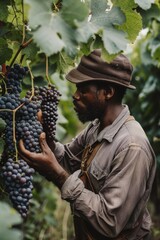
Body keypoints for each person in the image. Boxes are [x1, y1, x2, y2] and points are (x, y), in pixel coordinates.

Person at [19, 49, 156, 240]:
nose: (75, 95)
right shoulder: (97, 127)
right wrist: (46, 138)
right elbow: (67, 159)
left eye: (83, 90)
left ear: (107, 92)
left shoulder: (132, 147)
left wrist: (58, 177)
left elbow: (110, 222)